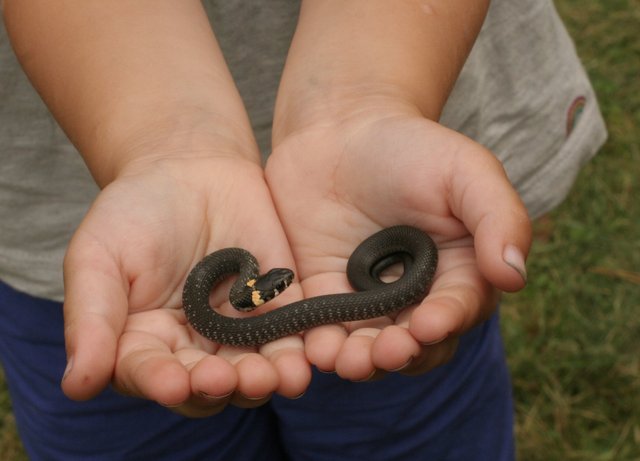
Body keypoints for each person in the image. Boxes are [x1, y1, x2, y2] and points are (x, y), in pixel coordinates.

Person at [0, 0, 606, 460]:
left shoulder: (235, 288)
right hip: (49, 223)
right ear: (256, 290)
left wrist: (362, 98)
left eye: (275, 283)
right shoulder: (231, 286)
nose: (282, 282)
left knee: (409, 428)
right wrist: (162, 141)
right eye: (277, 283)